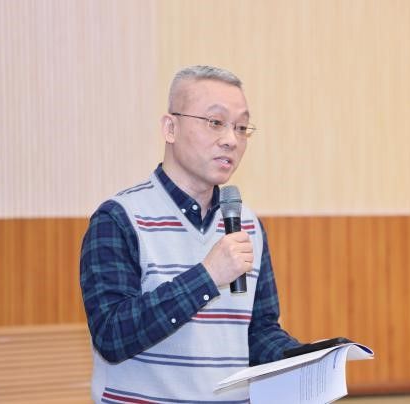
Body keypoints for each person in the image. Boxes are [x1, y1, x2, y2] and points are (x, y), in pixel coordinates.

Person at [80, 65, 300, 402]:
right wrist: (207, 277)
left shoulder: (248, 224)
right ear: (170, 128)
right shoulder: (119, 218)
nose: (231, 140)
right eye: (215, 122)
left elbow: (258, 332)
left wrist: (301, 358)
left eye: (242, 127)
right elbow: (112, 335)